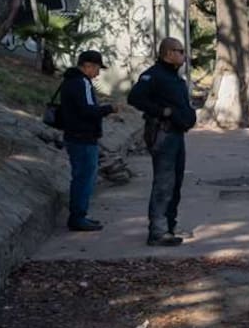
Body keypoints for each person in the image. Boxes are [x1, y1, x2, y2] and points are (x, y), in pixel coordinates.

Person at [128, 37, 197, 247]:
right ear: (168, 53)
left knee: (175, 183)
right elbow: (135, 98)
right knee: (164, 184)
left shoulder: (174, 77)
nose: (184, 55)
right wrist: (162, 112)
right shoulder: (154, 75)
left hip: (177, 134)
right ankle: (158, 231)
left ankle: (169, 226)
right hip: (163, 135)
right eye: (180, 51)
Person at [58, 50, 117, 231]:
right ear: (88, 65)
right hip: (83, 137)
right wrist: (109, 109)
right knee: (84, 178)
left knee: (81, 177)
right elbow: (88, 110)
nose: (98, 73)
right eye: (97, 68)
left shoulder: (70, 81)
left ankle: (79, 214)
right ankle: (78, 216)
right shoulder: (82, 82)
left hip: (75, 135)